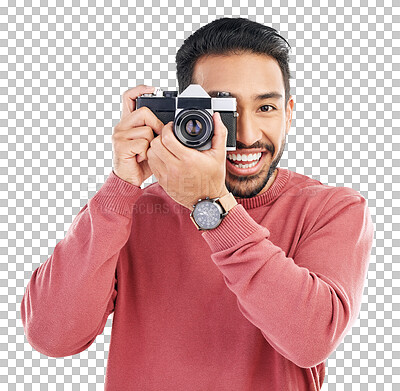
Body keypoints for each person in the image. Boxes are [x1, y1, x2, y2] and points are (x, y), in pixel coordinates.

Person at [20, 17, 374, 390]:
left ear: (288, 113)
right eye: (224, 110)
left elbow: (312, 338)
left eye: (265, 108)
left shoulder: (333, 209)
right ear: (183, 113)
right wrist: (122, 185)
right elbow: (50, 335)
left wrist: (211, 205)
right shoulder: (132, 211)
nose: (247, 135)